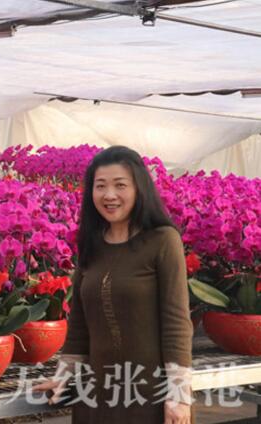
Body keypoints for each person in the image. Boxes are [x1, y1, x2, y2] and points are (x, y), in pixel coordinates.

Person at [35, 146, 193, 424]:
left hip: (149, 395)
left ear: (138, 189)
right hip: (96, 396)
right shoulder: (91, 245)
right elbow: (79, 326)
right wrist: (64, 378)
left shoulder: (163, 240)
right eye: (100, 186)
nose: (109, 195)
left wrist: (179, 395)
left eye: (120, 185)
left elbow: (176, 323)